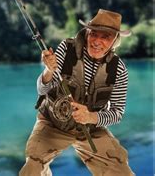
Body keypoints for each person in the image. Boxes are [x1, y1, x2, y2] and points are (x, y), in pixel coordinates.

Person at [19, 9, 135, 176]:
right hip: (52, 123)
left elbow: (116, 113)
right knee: (32, 168)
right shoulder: (66, 49)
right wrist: (48, 71)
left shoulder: (119, 70)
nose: (97, 41)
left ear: (115, 41)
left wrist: (91, 117)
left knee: (121, 170)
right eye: (93, 34)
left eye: (105, 37)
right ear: (86, 33)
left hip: (91, 129)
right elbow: (42, 89)